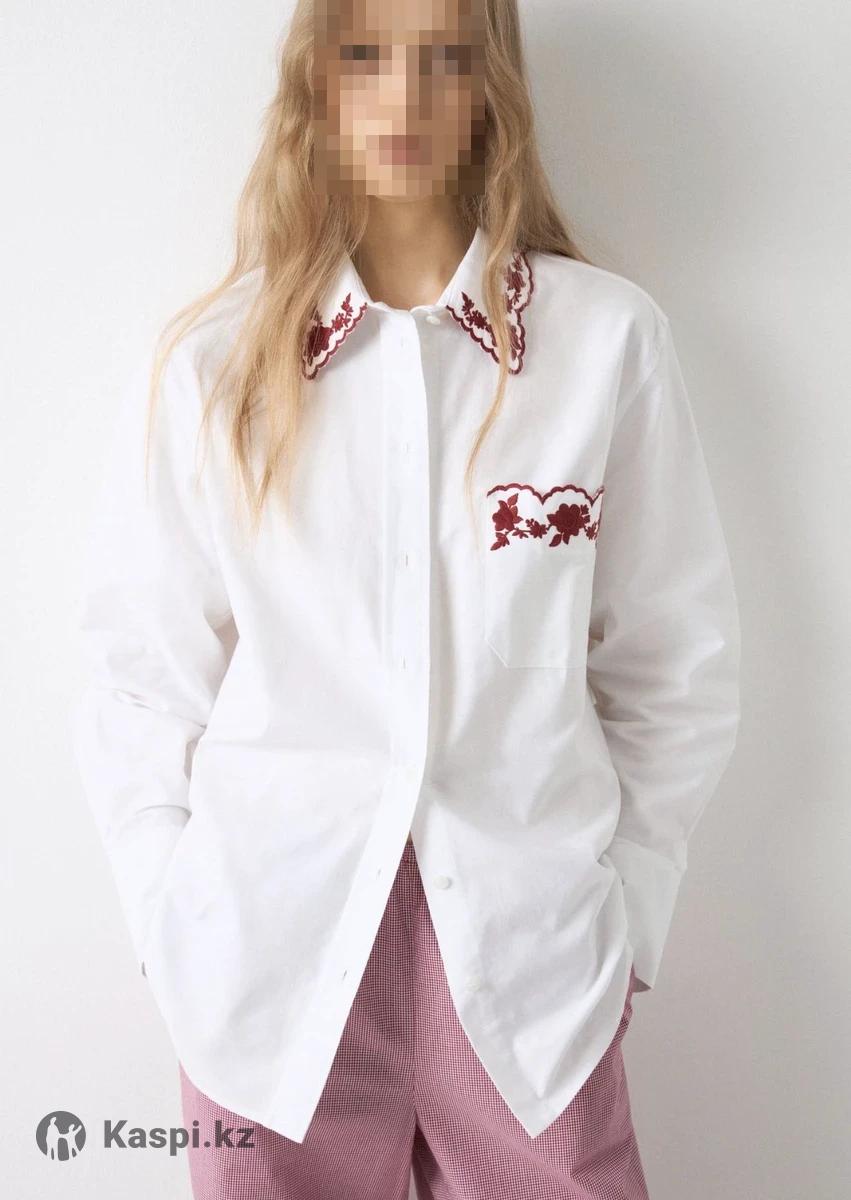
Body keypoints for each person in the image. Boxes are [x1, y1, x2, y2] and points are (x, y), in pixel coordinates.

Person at [70, 1, 741, 1197]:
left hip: (530, 973)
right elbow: (139, 673)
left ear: (490, 87)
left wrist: (628, 913)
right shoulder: (216, 367)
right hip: (267, 977)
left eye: (445, 59)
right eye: (366, 56)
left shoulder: (600, 344)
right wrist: (169, 917)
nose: (405, 98)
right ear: (316, 79)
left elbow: (672, 659)